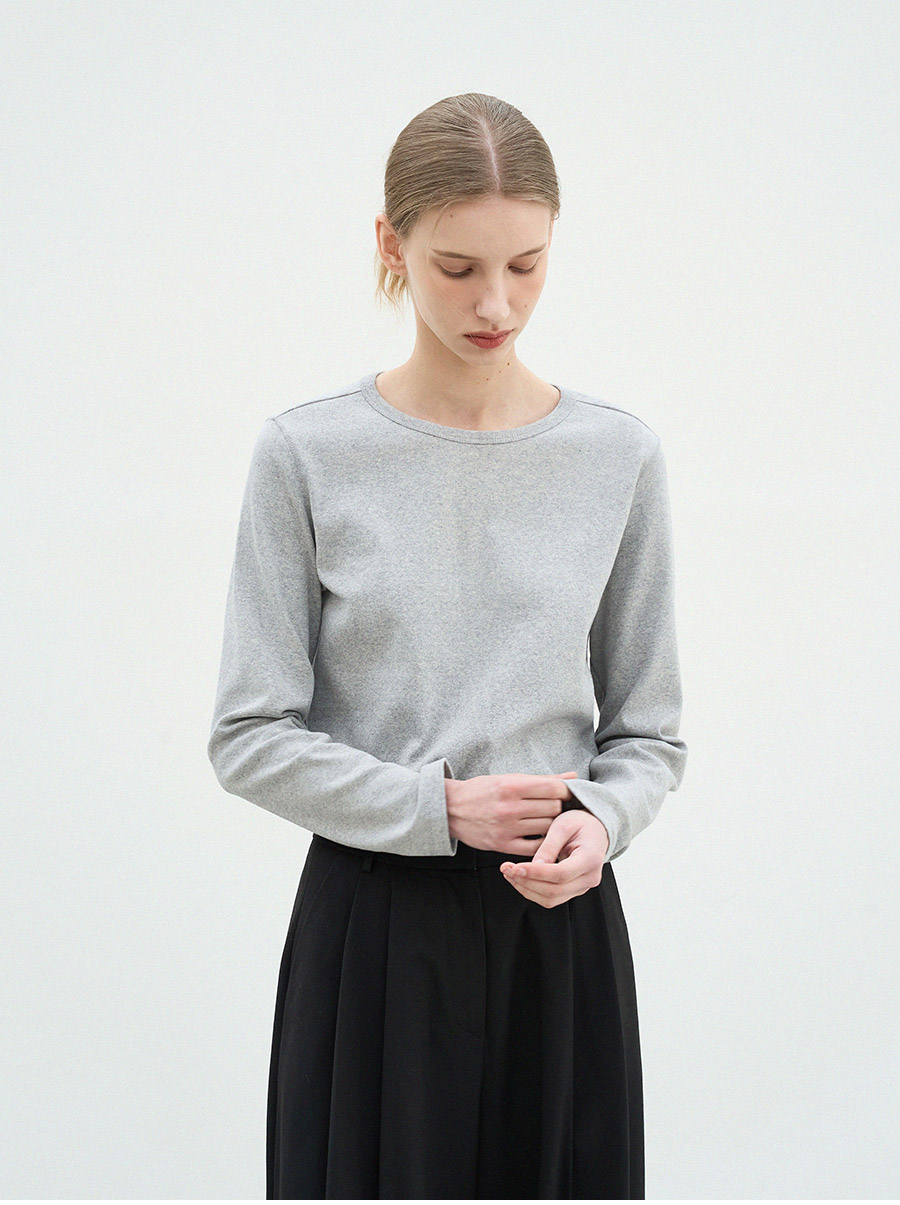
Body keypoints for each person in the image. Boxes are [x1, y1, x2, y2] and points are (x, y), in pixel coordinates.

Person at [207, 91, 687, 1201]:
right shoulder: (308, 454)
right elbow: (247, 734)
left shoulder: (616, 456)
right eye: (459, 266)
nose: (496, 302)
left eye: (527, 264)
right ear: (392, 244)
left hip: (557, 925)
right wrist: (438, 807)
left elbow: (651, 733)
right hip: (373, 920)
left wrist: (603, 821)